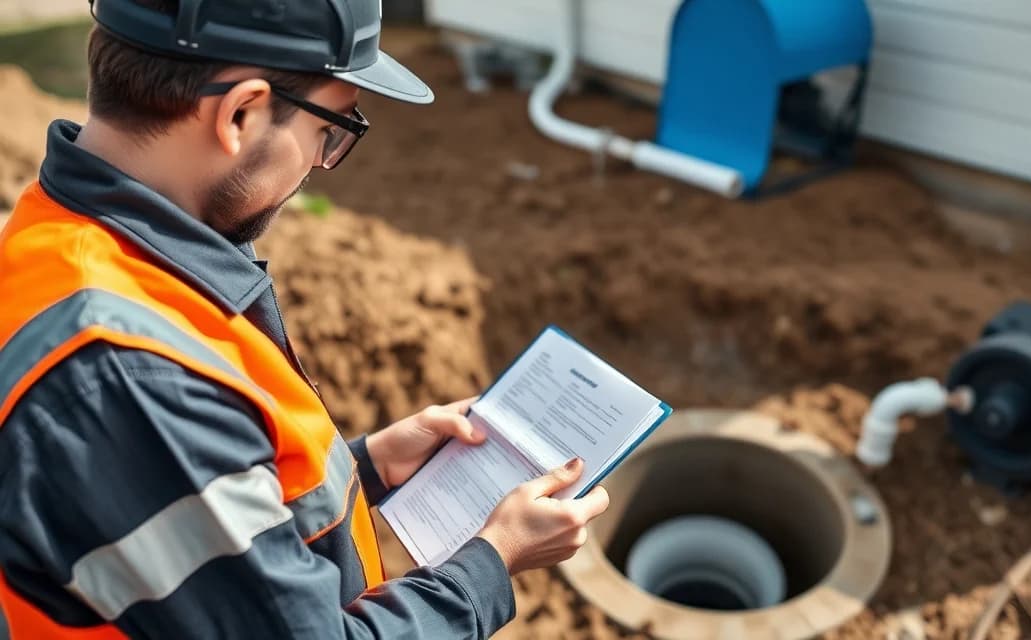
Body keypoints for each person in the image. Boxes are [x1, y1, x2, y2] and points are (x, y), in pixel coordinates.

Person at [0, 1, 610, 638]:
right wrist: (494, 560)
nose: (321, 162)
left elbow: (190, 489)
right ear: (240, 113)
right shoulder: (125, 376)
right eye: (331, 128)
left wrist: (366, 466)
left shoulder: (64, 238)